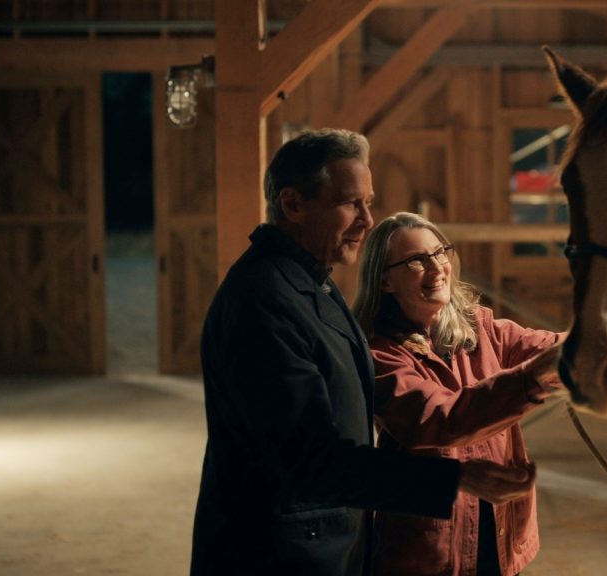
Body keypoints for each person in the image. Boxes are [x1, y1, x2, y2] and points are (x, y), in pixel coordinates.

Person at [189, 130, 535, 576]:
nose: (368, 220)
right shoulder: (265, 302)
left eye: (368, 202)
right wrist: (455, 478)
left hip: (320, 545)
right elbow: (310, 460)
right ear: (293, 205)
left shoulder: (311, 281)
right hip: (278, 555)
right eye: (351, 203)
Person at [352, 212, 607, 575]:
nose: (437, 267)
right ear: (384, 280)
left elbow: (564, 347)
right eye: (416, 261)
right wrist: (532, 376)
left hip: (503, 542)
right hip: (428, 554)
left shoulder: (484, 330)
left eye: (440, 252)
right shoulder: (380, 355)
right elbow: (441, 419)